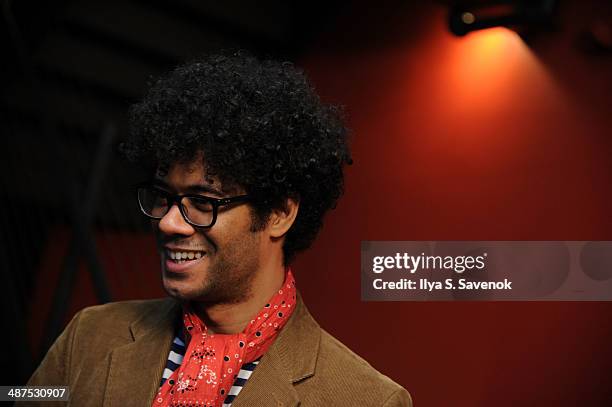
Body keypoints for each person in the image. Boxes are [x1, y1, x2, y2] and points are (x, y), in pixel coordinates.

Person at [27, 51, 412, 406]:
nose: (168, 221)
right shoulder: (89, 336)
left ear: (279, 213)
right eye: (165, 196)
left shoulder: (368, 399)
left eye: (204, 202)